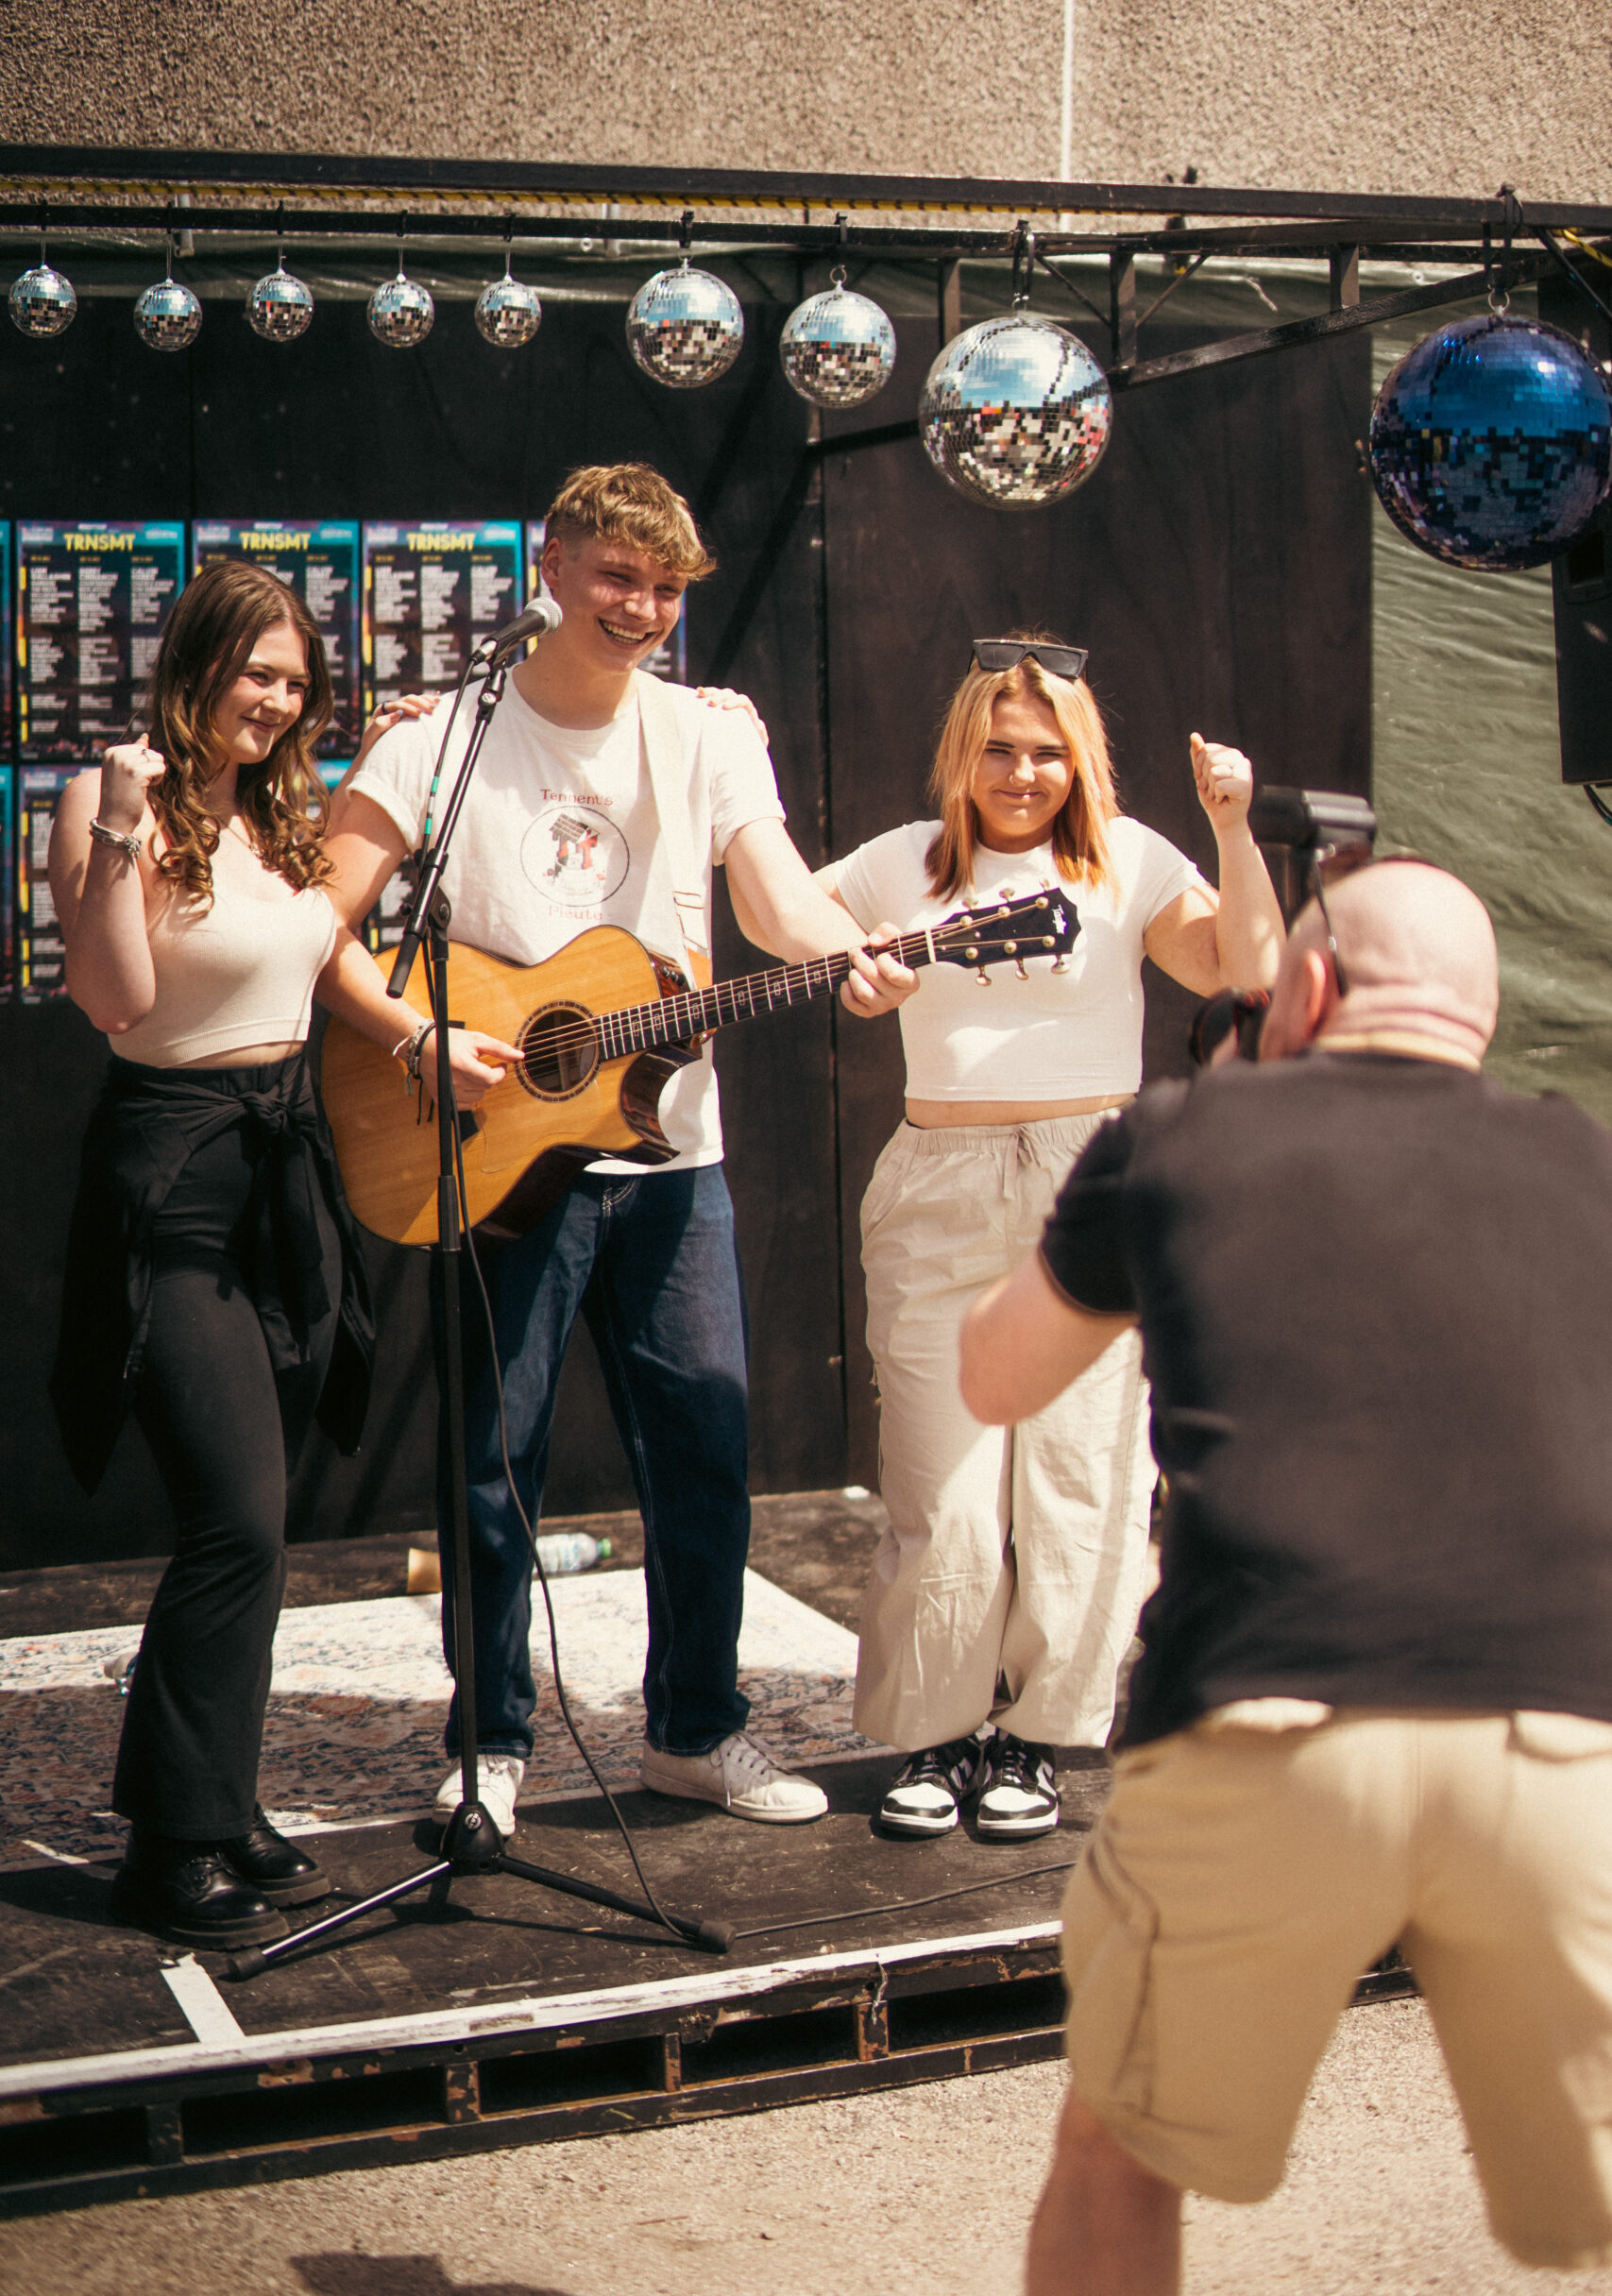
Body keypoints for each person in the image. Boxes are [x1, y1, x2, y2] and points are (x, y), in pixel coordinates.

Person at [959, 858, 1612, 2290]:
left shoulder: (1179, 1134)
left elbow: (995, 1375)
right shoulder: (1582, 1163)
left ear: (1302, 989)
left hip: (1264, 1718)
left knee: (1116, 2152)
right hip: (1568, 1736)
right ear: (1480, 1024)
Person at [316, 462, 913, 1840]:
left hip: (668, 1160)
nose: (640, 607)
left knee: (702, 1447)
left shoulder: (705, 733)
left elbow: (772, 896)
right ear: (552, 567)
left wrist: (850, 958)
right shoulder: (441, 739)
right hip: (494, 1144)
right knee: (493, 1462)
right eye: (615, 578)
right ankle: (490, 1744)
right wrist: (415, 1039)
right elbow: (320, 922)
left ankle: (695, 1734)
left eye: (663, 588)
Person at [816, 638, 1282, 1841]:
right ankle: (939, 1730)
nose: (1024, 774)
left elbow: (1250, 966)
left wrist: (1233, 826)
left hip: (1091, 1180)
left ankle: (1036, 1738)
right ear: (963, 753)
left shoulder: (1129, 859)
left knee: (1085, 1480)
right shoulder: (899, 862)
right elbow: (782, 916)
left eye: (1048, 754)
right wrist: (845, 969)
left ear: (1083, 763)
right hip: (938, 1187)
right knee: (945, 1489)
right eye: (1001, 750)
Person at [45, 560, 433, 1948]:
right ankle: (167, 1847)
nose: (274, 700)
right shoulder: (111, 799)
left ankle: (221, 1796)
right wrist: (119, 841)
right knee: (236, 1524)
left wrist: (422, 1041)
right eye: (254, 672)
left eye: (293, 679)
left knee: (262, 1533)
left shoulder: (283, 814)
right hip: (177, 1179)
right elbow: (112, 998)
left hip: (285, 1167)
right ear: (196, 662)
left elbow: (322, 956)